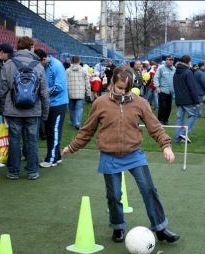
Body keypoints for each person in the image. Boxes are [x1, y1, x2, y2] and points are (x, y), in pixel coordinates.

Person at [61, 67, 180, 243]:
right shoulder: (100, 103)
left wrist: (166, 146)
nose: (123, 92)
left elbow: (155, 127)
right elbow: (87, 130)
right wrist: (72, 147)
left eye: (126, 89)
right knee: (114, 195)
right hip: (109, 156)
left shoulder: (140, 102)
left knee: (149, 190)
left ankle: (160, 228)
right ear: (112, 84)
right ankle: (118, 227)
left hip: (134, 154)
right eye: (119, 88)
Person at [0, 36, 49, 180]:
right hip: (33, 111)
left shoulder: (8, 64)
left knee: (14, 140)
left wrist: (4, 109)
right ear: (31, 47)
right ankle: (32, 171)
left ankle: (13, 171)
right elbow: (44, 93)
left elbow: (2, 90)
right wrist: (44, 114)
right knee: (32, 140)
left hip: (13, 110)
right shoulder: (38, 65)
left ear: (18, 47)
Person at [34, 49, 68, 168]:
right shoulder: (44, 66)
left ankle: (51, 159)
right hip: (49, 104)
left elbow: (59, 87)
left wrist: (42, 93)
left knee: (54, 131)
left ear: (43, 59)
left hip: (58, 104)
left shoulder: (57, 65)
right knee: (50, 131)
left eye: (38, 63)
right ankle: (56, 156)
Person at [173, 55, 201, 143]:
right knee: (193, 115)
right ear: (188, 61)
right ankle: (183, 133)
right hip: (187, 99)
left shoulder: (176, 72)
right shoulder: (188, 72)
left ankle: (177, 138)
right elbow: (192, 87)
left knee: (179, 119)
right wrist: (196, 101)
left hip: (179, 99)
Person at [65, 55, 91, 131]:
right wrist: (88, 93)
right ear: (79, 61)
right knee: (79, 109)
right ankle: (77, 123)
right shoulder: (83, 70)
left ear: (72, 61)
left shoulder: (67, 70)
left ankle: (73, 122)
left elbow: (65, 82)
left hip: (70, 92)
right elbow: (87, 83)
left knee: (72, 108)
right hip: (80, 93)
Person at [153, 55, 175, 125]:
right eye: (169, 59)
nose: (170, 61)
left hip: (170, 91)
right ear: (166, 60)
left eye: (172, 60)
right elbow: (156, 77)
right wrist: (157, 87)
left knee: (169, 106)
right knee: (162, 106)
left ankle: (166, 120)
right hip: (162, 90)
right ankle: (160, 120)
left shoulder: (174, 69)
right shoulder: (161, 68)